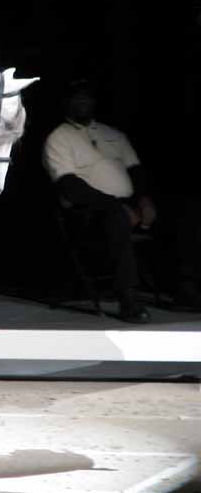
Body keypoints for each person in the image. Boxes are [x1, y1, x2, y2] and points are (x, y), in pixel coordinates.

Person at [42, 80, 155, 322]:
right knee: (114, 216)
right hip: (88, 212)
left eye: (87, 97)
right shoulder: (58, 137)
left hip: (127, 207)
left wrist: (143, 201)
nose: (83, 102)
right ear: (67, 103)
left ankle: (189, 291)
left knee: (188, 209)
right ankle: (128, 299)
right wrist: (117, 205)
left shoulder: (113, 134)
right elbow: (70, 187)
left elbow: (135, 170)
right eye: (77, 98)